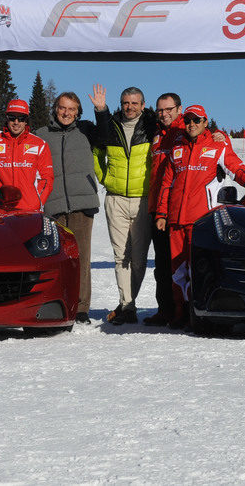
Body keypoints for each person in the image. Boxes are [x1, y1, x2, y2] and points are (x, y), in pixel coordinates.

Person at [155, 105, 245, 329]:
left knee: (198, 270)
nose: (192, 124)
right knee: (177, 272)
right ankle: (180, 314)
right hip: (176, 221)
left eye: (197, 120)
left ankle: (198, 313)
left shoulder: (217, 145)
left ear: (206, 122)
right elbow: (166, 185)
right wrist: (161, 213)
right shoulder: (177, 148)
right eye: (188, 120)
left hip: (202, 222)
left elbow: (235, 167)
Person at [144, 92, 228, 327]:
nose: (164, 113)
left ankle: (191, 310)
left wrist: (223, 138)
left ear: (178, 110)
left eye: (169, 109)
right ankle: (167, 310)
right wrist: (160, 211)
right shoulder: (156, 134)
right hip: (163, 210)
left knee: (192, 264)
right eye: (160, 110)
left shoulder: (186, 129)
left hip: (191, 213)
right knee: (164, 266)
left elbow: (218, 147)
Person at [34, 87, 106, 324]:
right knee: (55, 259)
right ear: (55, 109)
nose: (66, 113)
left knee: (81, 258)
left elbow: (107, 135)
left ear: (78, 112)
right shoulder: (41, 134)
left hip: (81, 203)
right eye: (63, 108)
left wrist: (101, 109)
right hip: (52, 206)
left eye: (72, 109)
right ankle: (55, 303)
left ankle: (81, 308)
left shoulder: (86, 130)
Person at [92, 86, 156, 325]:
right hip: (116, 199)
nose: (129, 107)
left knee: (138, 259)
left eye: (134, 103)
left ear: (142, 104)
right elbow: (96, 152)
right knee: (121, 257)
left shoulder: (150, 126)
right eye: (125, 103)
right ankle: (128, 306)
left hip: (143, 199)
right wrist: (105, 178)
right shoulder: (112, 126)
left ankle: (128, 303)